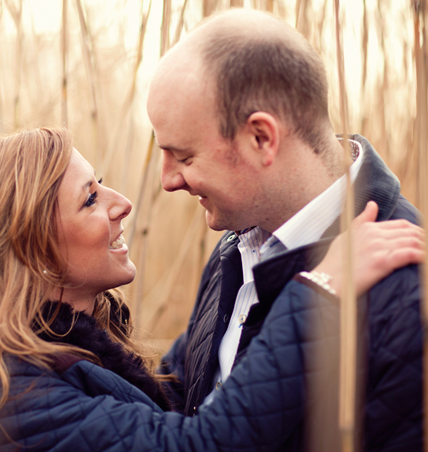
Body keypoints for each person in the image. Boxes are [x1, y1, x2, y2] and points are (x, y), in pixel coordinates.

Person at [0, 128, 423, 452]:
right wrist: (319, 293)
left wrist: (238, 279)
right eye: (89, 199)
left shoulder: (71, 350)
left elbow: (175, 393)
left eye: (101, 182)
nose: (122, 202)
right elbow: (201, 443)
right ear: (31, 251)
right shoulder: (5, 396)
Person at [148, 8, 424, 450]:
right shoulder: (234, 250)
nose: (168, 180)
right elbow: (185, 408)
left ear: (261, 138)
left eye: (183, 157)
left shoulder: (409, 297)